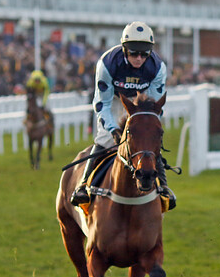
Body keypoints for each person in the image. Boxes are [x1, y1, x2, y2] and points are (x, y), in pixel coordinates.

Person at [70, 21, 176, 208]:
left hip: (141, 103)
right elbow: (102, 102)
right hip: (114, 102)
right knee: (104, 139)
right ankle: (84, 185)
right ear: (124, 49)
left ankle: (164, 186)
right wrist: (112, 129)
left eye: (144, 54)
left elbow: (154, 108)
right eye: (134, 53)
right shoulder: (107, 63)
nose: (139, 58)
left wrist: (147, 130)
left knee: (148, 140)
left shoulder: (157, 68)